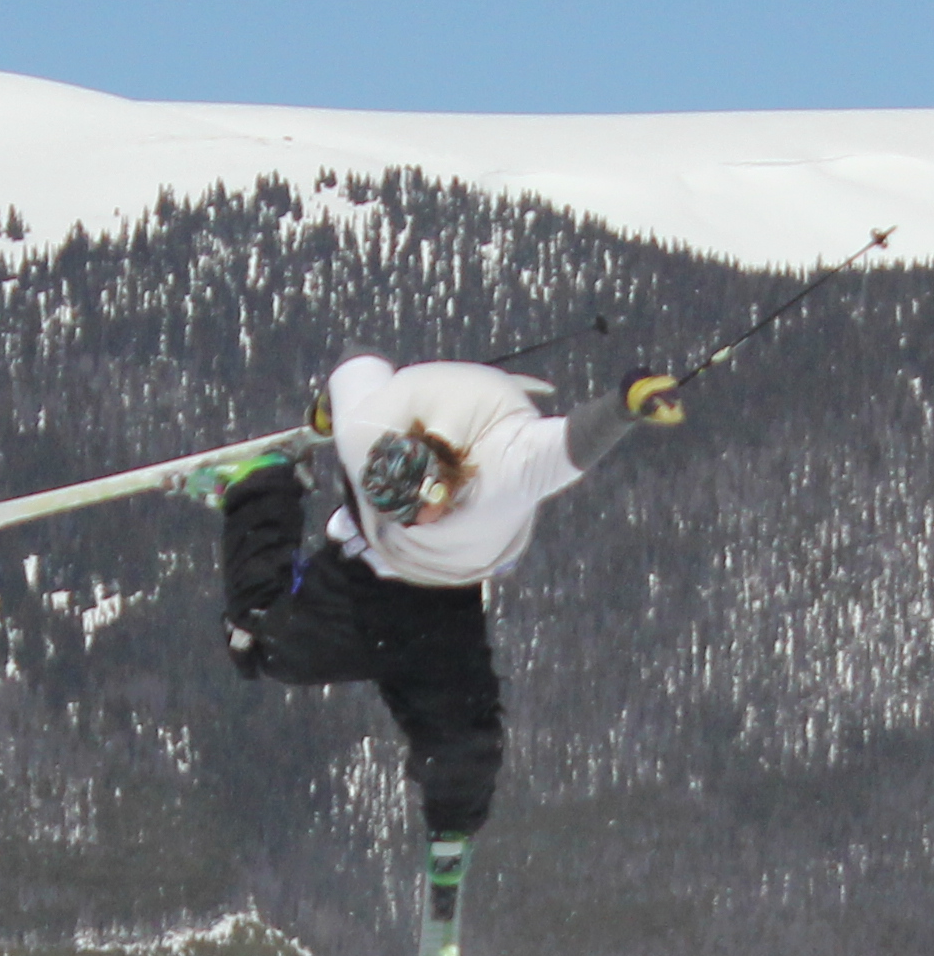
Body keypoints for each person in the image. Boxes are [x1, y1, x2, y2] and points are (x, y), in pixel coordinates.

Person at [210, 354, 683, 839]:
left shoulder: (501, 472)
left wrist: (625, 403)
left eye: (414, 514)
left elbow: (570, 445)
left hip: (441, 603)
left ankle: (452, 829)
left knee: (466, 744)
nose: (409, 524)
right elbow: (356, 369)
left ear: (439, 482)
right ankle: (260, 485)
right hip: (363, 579)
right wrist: (329, 412)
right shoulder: (365, 431)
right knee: (260, 641)